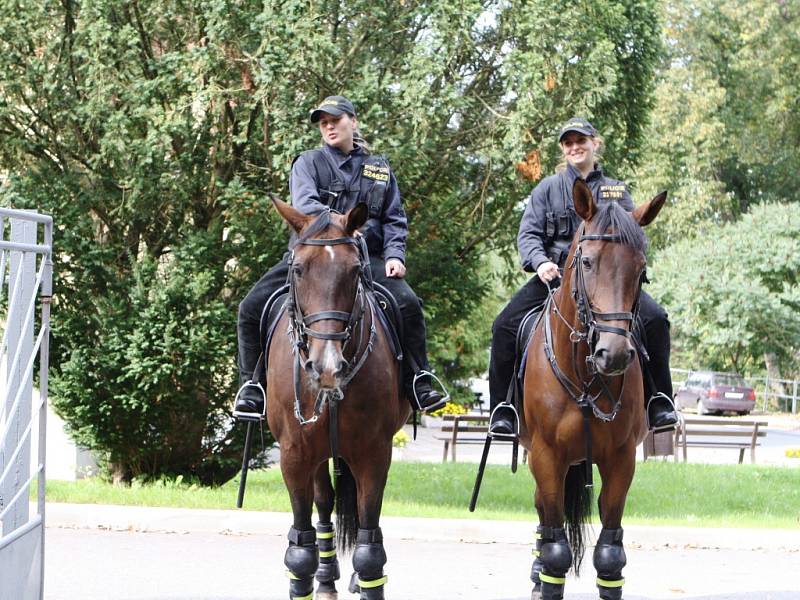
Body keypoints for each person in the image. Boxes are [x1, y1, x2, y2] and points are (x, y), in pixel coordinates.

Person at [234, 95, 446, 417]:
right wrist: (343, 226)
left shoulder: (379, 169)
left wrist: (395, 255)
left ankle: (419, 378)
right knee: (251, 307)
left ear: (353, 121)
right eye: (324, 123)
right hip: (311, 257)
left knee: (408, 304)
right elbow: (305, 205)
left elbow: (394, 218)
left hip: (362, 258)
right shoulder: (307, 163)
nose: (329, 126)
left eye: (335, 120)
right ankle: (252, 386)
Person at [488, 117, 678, 435]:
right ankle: (503, 409)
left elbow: (630, 234)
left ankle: (659, 400)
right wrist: (539, 262)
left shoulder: (616, 190)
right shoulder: (546, 189)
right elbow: (529, 235)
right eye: (568, 143)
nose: (575, 147)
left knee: (656, 319)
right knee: (504, 325)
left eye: (581, 141)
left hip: (607, 283)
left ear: (595, 144)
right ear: (563, 149)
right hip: (555, 279)